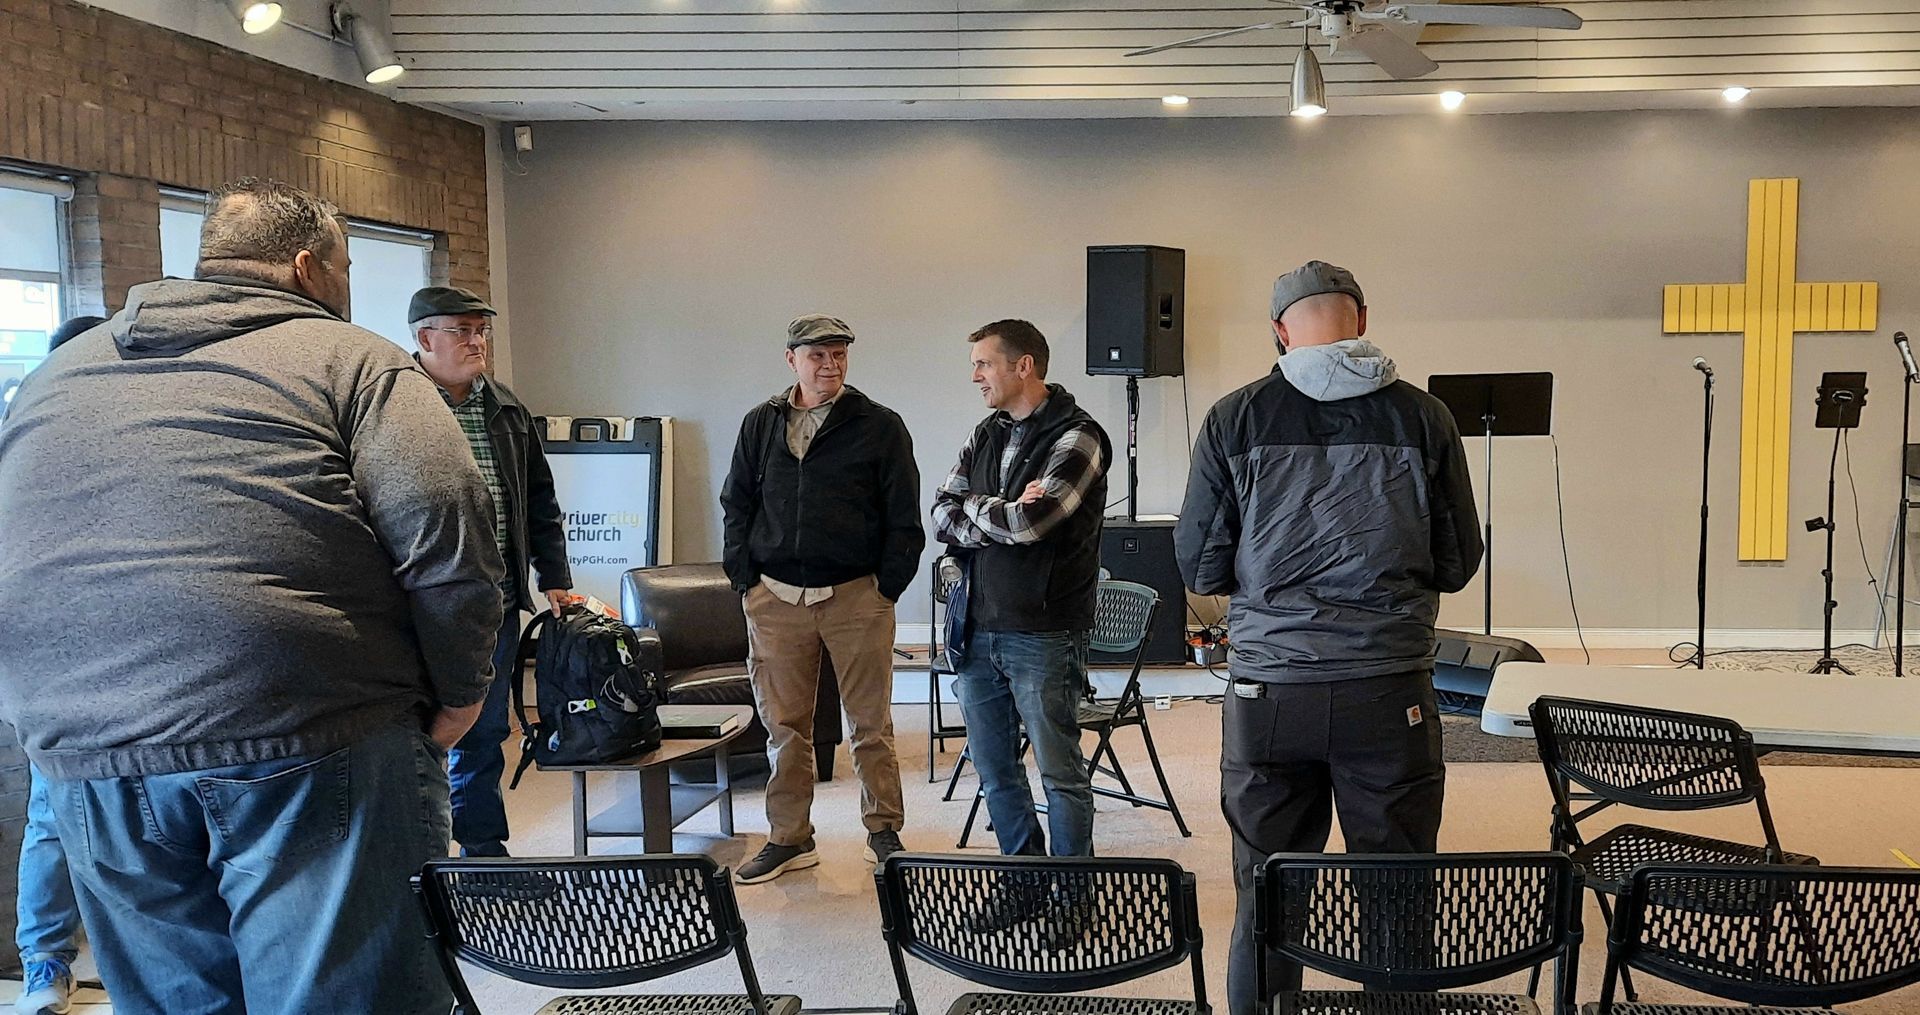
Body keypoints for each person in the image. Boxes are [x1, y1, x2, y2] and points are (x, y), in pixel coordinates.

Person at [0, 178, 505, 1015]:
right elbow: (447, 530)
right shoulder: (355, 361)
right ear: (309, 267)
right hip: (308, 731)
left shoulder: (57, 376)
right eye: (346, 268)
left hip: (87, 749)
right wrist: (462, 691)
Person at [1174, 261, 1484, 1015]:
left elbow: (1201, 563)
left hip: (1270, 693)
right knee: (1397, 892)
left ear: (1280, 332)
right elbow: (1457, 560)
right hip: (1389, 689)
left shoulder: (1234, 417)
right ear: (1362, 319)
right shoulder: (1424, 416)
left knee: (1267, 891)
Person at [720, 314, 923, 884]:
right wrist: (744, 577)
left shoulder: (879, 425)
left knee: (870, 724)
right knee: (784, 726)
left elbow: (903, 514)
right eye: (817, 355)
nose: (830, 365)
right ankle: (790, 837)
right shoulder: (760, 423)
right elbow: (737, 501)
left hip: (857, 595)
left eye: (839, 354)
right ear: (792, 359)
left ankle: (883, 830)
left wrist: (887, 586)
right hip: (774, 598)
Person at [931, 319, 1110, 872]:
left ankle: (1071, 893)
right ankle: (1024, 883)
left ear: (1023, 365)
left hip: (1043, 632)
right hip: (976, 628)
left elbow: (1034, 523)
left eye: (984, 364)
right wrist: (1000, 509)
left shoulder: (1079, 437)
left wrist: (977, 506)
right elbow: (940, 513)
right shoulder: (984, 433)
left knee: (1060, 775)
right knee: (995, 772)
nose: (975, 376)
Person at [411, 285, 581, 857]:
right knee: (418, 729)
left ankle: (482, 849)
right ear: (425, 337)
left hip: (496, 599)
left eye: (480, 330)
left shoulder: (506, 408)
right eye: (461, 330)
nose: (476, 341)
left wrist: (553, 575)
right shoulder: (394, 402)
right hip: (420, 603)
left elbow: (539, 497)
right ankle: (419, 849)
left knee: (485, 728)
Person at [8, 314, 104, 1015]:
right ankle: (45, 961)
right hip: (55, 660)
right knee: (53, 809)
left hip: (119, 657)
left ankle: (63, 960)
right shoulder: (28, 438)